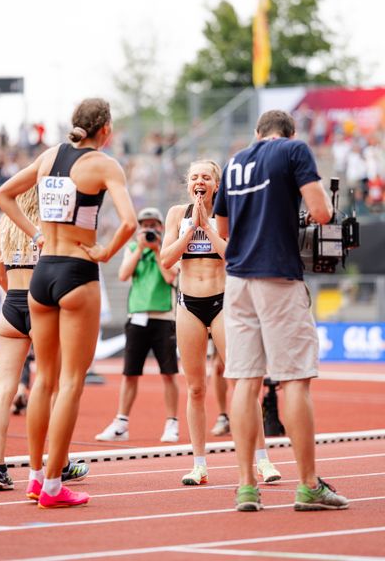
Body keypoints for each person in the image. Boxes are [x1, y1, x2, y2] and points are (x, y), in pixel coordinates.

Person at [0, 97, 137, 509]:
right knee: (71, 383)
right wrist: (106, 252)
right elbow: (128, 222)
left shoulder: (50, 155)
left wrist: (37, 235)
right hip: (76, 273)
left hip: (42, 274)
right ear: (105, 129)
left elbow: (3, 196)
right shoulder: (105, 165)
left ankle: (37, 478)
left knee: (43, 381)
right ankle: (55, 487)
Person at [214, 109, 349, 512]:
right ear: (288, 133)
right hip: (277, 274)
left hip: (237, 279)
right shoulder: (294, 150)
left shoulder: (235, 160)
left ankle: (245, 486)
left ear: (258, 133)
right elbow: (322, 213)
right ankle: (308, 484)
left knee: (244, 381)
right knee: (293, 380)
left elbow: (223, 228)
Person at [161, 159, 280, 486]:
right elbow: (166, 259)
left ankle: (262, 460)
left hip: (223, 301)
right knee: (196, 387)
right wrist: (191, 230)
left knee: (243, 382)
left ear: (217, 185)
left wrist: (209, 227)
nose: (200, 181)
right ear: (189, 183)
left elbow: (235, 256)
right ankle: (199, 464)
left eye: (207, 177)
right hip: (188, 303)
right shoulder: (176, 214)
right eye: (195, 177)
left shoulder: (231, 212)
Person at [0, 189, 89, 491]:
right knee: (56, 386)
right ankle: (59, 463)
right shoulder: (48, 225)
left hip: (10, 308)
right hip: (42, 305)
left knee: (4, 389)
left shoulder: (6, 223)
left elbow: (1, 278)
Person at [95, 207, 180, 443]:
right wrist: (142, 249)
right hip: (137, 317)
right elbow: (123, 275)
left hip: (164, 317)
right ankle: (121, 423)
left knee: (169, 373)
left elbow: (170, 277)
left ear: (162, 228)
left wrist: (157, 250)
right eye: (145, 225)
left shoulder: (169, 250)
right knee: (129, 373)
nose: (149, 229)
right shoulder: (133, 248)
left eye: (154, 225)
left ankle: (172, 423)